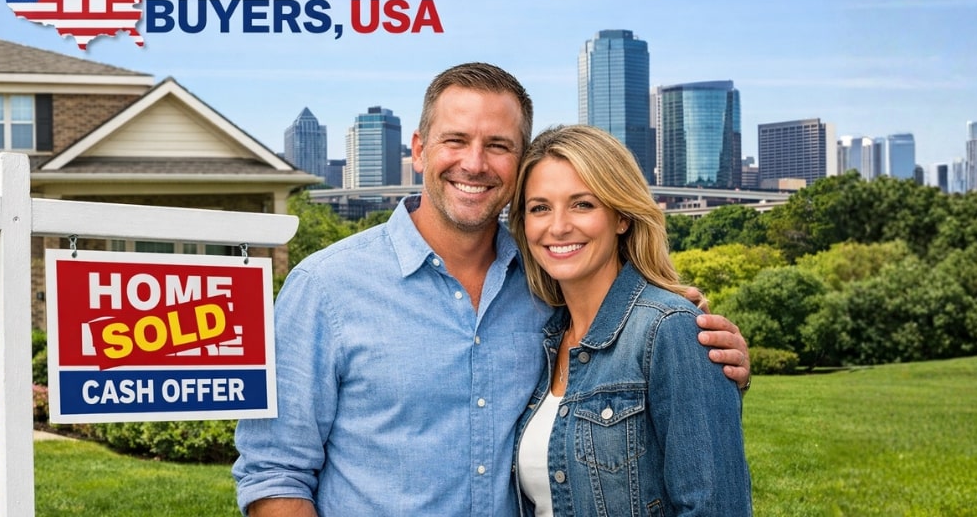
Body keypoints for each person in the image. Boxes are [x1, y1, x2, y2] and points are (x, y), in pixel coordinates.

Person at [233, 63, 750, 517]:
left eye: (498, 146)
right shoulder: (324, 289)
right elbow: (274, 474)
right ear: (418, 149)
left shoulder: (544, 291)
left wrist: (696, 355)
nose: (475, 164)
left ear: (519, 162)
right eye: (455, 140)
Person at [510, 124, 752, 515]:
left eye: (582, 204)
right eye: (540, 208)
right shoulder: (544, 337)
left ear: (621, 216)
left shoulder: (671, 329)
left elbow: (715, 506)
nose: (557, 226)